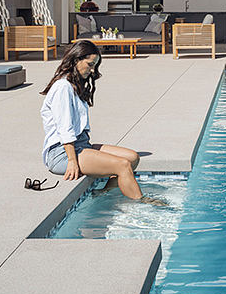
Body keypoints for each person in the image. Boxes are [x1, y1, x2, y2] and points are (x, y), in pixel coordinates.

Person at [40, 40, 149, 201]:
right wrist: (72, 160)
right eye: (90, 64)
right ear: (76, 60)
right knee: (122, 165)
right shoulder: (62, 87)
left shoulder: (76, 84)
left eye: (95, 66)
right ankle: (143, 205)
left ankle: (103, 193)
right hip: (61, 153)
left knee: (132, 158)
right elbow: (64, 128)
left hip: (81, 145)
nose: (92, 70)